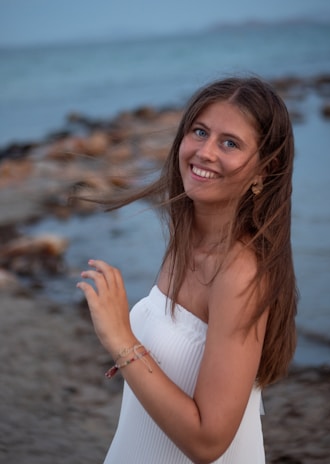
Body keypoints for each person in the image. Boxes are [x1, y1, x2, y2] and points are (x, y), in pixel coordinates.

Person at [76, 76, 298, 463]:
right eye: (200, 131)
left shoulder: (240, 274)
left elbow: (208, 442)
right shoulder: (188, 238)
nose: (205, 152)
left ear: (265, 168)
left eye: (230, 143)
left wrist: (120, 338)